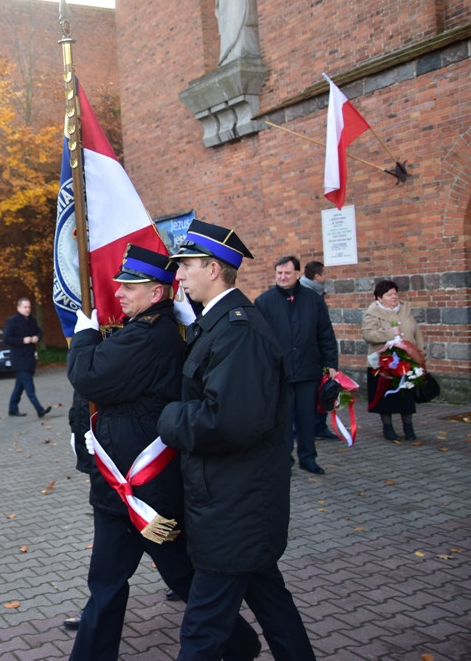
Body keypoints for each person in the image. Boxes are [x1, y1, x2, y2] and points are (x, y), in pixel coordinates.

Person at [66, 245, 260, 661]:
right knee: (106, 582)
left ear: (157, 293)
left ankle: (240, 644)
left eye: (130, 286)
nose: (118, 293)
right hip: (119, 489)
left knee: (183, 576)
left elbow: (88, 375)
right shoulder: (141, 329)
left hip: (147, 489)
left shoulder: (148, 335)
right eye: (119, 284)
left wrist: (83, 335)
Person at [157, 219, 316, 660]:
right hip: (237, 503)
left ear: (213, 267)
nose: (180, 275)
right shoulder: (222, 323)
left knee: (202, 632)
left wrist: (167, 418)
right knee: (274, 609)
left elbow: (225, 421)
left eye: (185, 266)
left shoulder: (238, 330)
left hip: (234, 506)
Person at [254, 256, 338, 474]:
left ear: (298, 274)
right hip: (279, 373)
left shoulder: (313, 299)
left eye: (287, 273)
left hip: (308, 370)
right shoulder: (264, 302)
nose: (282, 277)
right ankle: (284, 460)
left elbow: (325, 334)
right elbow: (258, 340)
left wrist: (331, 365)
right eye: (279, 273)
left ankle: (308, 458)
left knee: (307, 419)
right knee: (282, 421)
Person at [362, 279, 426, 441]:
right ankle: (388, 427)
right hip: (384, 364)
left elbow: (416, 331)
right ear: (379, 297)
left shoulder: (405, 309)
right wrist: (389, 333)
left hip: (407, 361)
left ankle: (408, 428)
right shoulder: (373, 312)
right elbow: (368, 335)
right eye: (389, 294)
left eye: (395, 293)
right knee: (386, 398)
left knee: (407, 397)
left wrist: (420, 351)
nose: (394, 297)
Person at [300, 261, 339, 440]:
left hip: (319, 353)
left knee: (324, 391)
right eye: (324, 273)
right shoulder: (303, 295)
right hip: (305, 356)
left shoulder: (317, 293)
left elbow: (325, 331)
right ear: (317, 276)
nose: (327, 277)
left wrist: (330, 361)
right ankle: (306, 429)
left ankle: (319, 426)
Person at [4, 297, 51, 418]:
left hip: (30, 358)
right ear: (18, 307)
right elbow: (7, 338)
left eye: (29, 307)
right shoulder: (12, 321)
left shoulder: (32, 320)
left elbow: (39, 332)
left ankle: (12, 409)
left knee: (19, 386)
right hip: (19, 359)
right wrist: (22, 340)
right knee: (29, 386)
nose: (28, 309)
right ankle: (39, 409)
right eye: (25, 307)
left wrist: (37, 337)